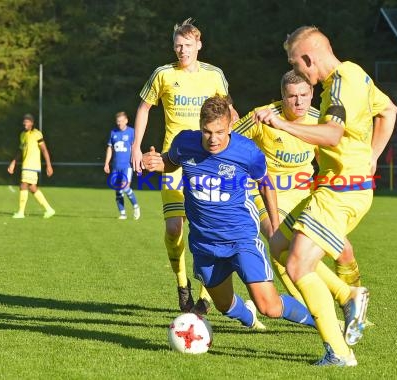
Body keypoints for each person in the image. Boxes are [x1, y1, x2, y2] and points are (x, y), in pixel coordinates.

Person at [256, 26, 397, 366]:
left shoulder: (340, 85)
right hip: (340, 185)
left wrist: (282, 124)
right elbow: (389, 110)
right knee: (280, 243)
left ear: (308, 58)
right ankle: (347, 295)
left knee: (296, 265)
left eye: (297, 63)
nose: (299, 72)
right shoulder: (356, 74)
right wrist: (373, 155)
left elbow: (332, 135)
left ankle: (339, 351)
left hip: (341, 191)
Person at [142, 95, 316, 333]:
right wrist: (155, 162)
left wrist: (275, 225)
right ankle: (250, 321)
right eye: (207, 132)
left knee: (270, 307)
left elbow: (265, 184)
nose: (213, 139)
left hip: (240, 237)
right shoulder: (185, 142)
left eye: (220, 132)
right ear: (200, 125)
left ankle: (321, 321)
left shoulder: (247, 151)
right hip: (204, 242)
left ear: (230, 126)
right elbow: (171, 162)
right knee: (224, 305)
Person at [131, 18, 238, 315]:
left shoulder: (214, 76)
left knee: (208, 230)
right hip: (173, 162)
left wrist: (238, 147)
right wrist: (135, 147)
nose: (182, 50)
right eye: (178, 45)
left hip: (209, 163)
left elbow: (230, 113)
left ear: (198, 45)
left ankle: (204, 296)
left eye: (187, 45)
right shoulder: (163, 75)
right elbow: (143, 108)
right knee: (174, 228)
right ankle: (182, 286)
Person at [233, 70, 360, 304]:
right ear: (282, 96)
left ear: (312, 93)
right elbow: (227, 140)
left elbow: (328, 159)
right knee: (277, 239)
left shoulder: (320, 120)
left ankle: (357, 304)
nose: (298, 101)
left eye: (303, 94)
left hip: (304, 195)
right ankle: (316, 305)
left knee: (345, 251)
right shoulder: (262, 117)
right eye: (292, 96)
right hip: (267, 194)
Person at [7, 113, 55, 219]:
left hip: (32, 165)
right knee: (32, 187)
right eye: (24, 121)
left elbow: (44, 150)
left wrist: (49, 165)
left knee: (23, 185)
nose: (25, 123)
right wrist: (13, 162)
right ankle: (49, 209)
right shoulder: (22, 135)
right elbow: (21, 150)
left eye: (28, 121)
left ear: (32, 123)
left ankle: (21, 212)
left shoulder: (36, 134)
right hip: (26, 164)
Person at [104, 112, 140, 220]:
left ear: (126, 121)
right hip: (116, 166)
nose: (119, 123)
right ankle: (123, 213)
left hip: (127, 166)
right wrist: (106, 163)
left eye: (121, 121)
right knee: (118, 190)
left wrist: (136, 161)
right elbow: (110, 148)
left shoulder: (131, 132)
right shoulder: (113, 133)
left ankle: (136, 206)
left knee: (125, 186)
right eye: (118, 121)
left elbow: (135, 148)